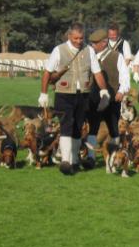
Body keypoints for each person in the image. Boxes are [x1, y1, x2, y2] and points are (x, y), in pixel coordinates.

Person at [38, 23, 110, 175]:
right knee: (66, 126)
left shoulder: (89, 50)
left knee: (78, 128)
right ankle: (65, 161)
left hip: (83, 94)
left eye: (81, 38)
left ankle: (75, 160)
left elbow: (97, 73)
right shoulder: (58, 50)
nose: (79, 41)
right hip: (63, 94)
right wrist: (43, 93)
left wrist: (104, 91)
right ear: (69, 36)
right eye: (76, 38)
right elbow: (47, 73)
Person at [85, 29, 130, 169]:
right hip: (93, 99)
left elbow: (125, 76)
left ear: (104, 43)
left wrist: (121, 91)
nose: (92, 46)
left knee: (113, 129)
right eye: (91, 43)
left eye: (95, 43)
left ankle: (115, 157)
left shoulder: (117, 56)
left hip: (112, 99)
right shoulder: (88, 56)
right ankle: (91, 158)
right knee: (93, 128)